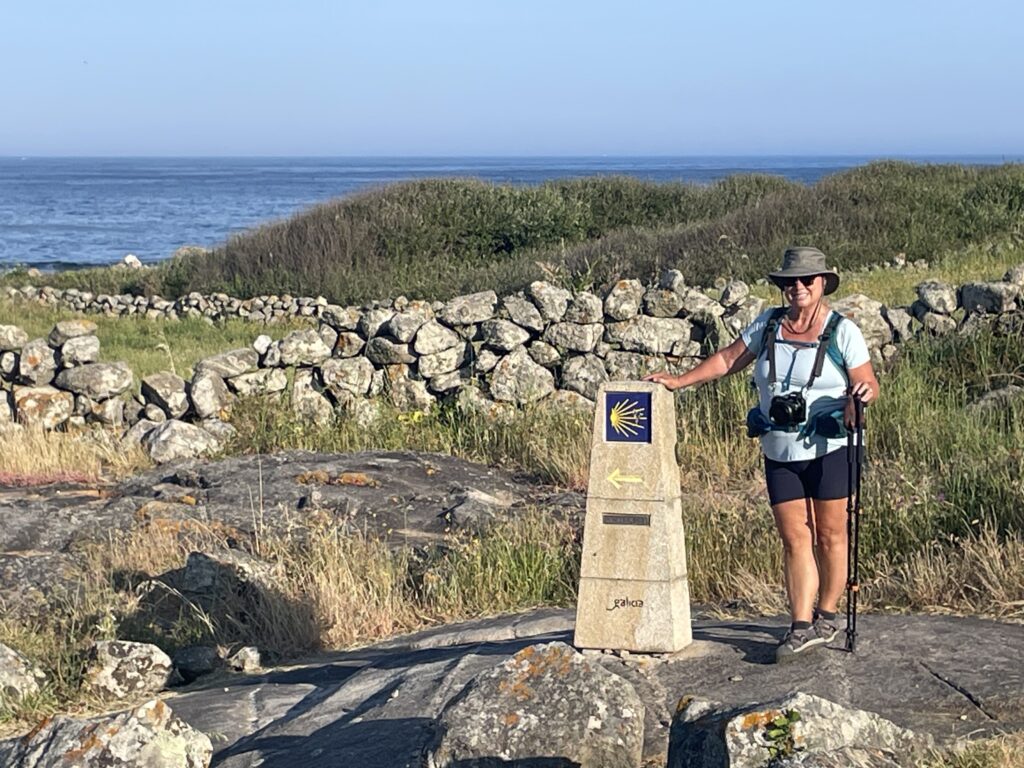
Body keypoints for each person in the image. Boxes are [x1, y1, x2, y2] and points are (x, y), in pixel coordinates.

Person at [645, 246, 879, 663]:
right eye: (790, 282)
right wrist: (680, 382)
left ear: (823, 283)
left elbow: (867, 382)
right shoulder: (768, 324)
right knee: (794, 537)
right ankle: (801, 625)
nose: (798, 288)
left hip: (831, 447)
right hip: (779, 447)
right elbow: (728, 359)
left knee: (830, 534)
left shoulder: (843, 331)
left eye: (807, 280)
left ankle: (826, 614)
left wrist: (860, 396)